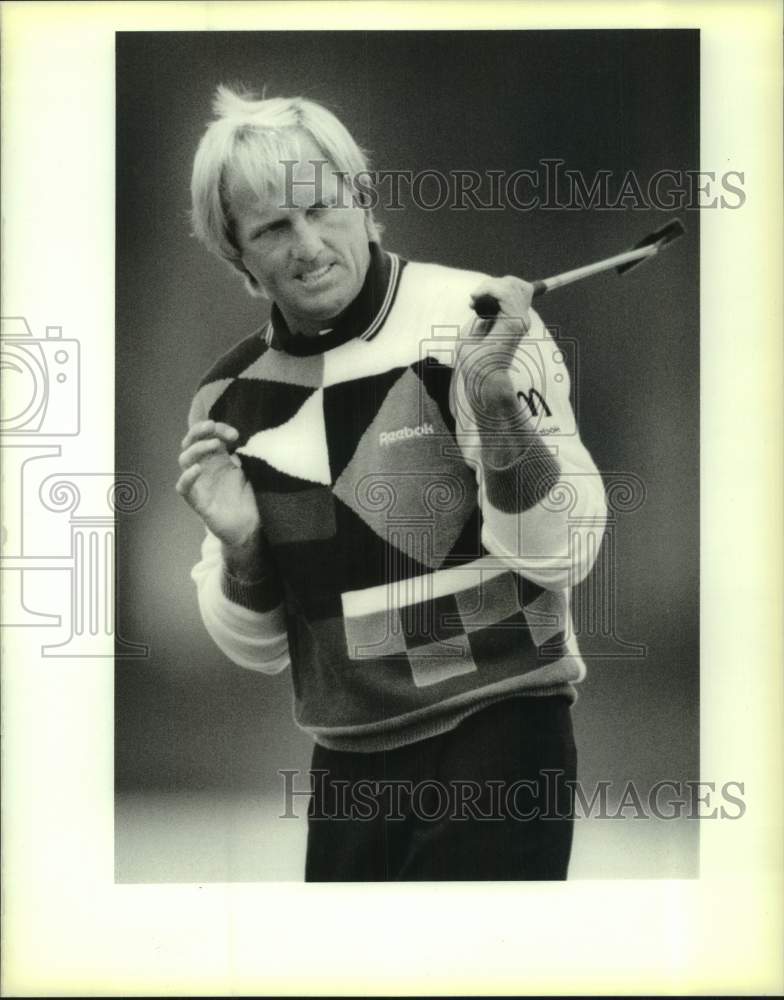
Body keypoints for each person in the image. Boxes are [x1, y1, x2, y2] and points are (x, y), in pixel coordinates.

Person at [176, 85, 608, 881]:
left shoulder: (474, 322)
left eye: (322, 208)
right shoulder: (227, 398)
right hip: (346, 765)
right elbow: (259, 648)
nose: (307, 245)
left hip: (502, 731)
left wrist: (496, 404)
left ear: (363, 199)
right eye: (273, 227)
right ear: (238, 255)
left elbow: (565, 552)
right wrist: (243, 548)